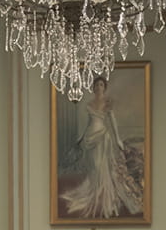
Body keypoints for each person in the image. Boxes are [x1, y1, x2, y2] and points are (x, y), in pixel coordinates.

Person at [61, 76, 143, 219]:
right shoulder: (90, 103)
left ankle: (103, 195)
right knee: (94, 166)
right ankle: (95, 190)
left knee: (102, 166)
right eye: (96, 85)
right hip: (90, 137)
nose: (99, 87)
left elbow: (113, 121)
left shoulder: (107, 102)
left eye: (101, 85)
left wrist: (118, 139)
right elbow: (89, 123)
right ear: (94, 88)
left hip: (103, 138)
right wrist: (81, 138)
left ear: (104, 87)